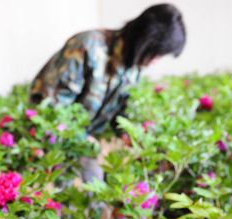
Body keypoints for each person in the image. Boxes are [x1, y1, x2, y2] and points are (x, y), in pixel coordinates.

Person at [30, 3, 186, 134]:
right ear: (143, 43)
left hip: (83, 137)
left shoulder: (133, 67)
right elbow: (52, 109)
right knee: (92, 171)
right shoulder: (88, 46)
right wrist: (83, 142)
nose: (155, 62)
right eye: (156, 54)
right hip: (52, 135)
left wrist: (129, 134)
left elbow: (119, 112)